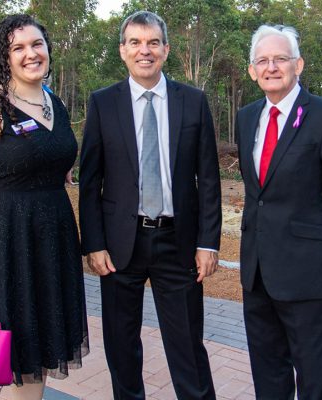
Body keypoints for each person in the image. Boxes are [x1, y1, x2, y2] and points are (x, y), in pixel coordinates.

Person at [79, 11, 221, 400]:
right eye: (136, 43)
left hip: (179, 244)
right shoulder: (103, 103)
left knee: (188, 346)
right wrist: (93, 243)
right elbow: (90, 182)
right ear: (123, 50)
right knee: (122, 346)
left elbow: (208, 179)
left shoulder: (192, 101)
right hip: (119, 244)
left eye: (153, 42)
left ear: (166, 49)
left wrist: (209, 243)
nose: (145, 51)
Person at [0, 14, 88, 400]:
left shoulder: (55, 104)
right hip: (3, 246)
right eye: (18, 48)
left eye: (36, 44)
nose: (31, 54)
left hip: (50, 246)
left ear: (48, 48)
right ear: (5, 56)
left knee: (36, 352)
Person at [236, 25, 322, 399]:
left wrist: (321, 248)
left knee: (313, 377)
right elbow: (257, 195)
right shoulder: (246, 119)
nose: (271, 67)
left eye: (280, 59)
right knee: (268, 373)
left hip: (306, 274)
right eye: (262, 60)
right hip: (256, 273)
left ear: (298, 65)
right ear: (252, 70)